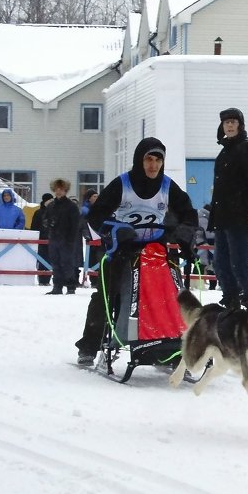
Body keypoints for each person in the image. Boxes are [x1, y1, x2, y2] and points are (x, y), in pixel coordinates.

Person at [74, 137, 197, 364]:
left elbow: (189, 213)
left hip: (155, 252)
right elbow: (96, 215)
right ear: (139, 160)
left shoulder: (168, 186)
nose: (153, 165)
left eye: (158, 160)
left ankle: (169, 344)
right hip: (122, 250)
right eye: (148, 159)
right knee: (106, 295)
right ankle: (89, 345)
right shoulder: (123, 184)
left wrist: (184, 232)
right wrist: (116, 229)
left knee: (171, 295)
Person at [209, 107, 248, 309]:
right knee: (220, 262)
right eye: (226, 122)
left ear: (240, 125)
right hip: (222, 215)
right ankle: (231, 298)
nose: (230, 125)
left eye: (234, 122)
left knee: (239, 261)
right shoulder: (225, 151)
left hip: (240, 215)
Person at [45, 179, 83, 295]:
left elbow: (75, 224)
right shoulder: (51, 205)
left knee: (67, 263)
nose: (58, 192)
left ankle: (71, 286)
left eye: (61, 189)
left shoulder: (71, 206)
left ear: (65, 190)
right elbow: (45, 219)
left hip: (67, 240)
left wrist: (71, 240)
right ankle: (57, 286)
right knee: (55, 263)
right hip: (54, 239)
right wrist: (47, 223)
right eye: (57, 189)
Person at [34, 192, 55, 286]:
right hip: (41, 240)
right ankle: (41, 279)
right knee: (41, 259)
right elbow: (34, 226)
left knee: (50, 260)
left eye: (52, 200)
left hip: (52, 240)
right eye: (49, 200)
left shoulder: (55, 212)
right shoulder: (38, 213)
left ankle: (48, 279)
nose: (51, 202)